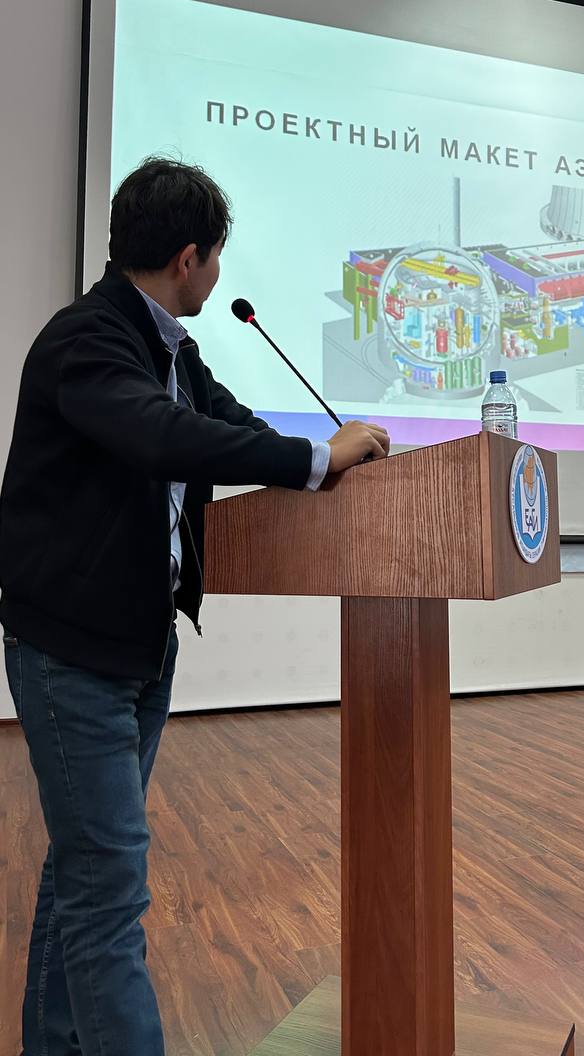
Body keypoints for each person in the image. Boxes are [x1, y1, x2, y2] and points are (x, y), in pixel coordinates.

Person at [0, 157, 390, 1056]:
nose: (217, 274)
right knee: (108, 890)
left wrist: (335, 458)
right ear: (189, 258)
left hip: (139, 646)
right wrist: (314, 460)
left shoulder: (174, 349)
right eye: (216, 257)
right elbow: (163, 435)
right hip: (72, 656)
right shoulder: (87, 340)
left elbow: (228, 421)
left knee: (84, 873)